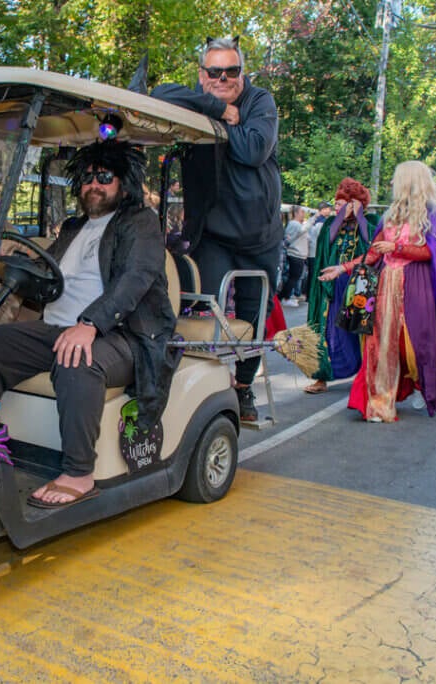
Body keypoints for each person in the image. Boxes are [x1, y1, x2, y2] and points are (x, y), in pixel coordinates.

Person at [0, 140, 176, 508]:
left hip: (123, 335)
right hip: (58, 329)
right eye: (86, 177)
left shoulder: (140, 224)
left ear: (123, 184)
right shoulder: (73, 226)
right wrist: (7, 262)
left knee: (76, 358)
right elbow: (45, 273)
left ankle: (79, 472)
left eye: (104, 176)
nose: (93, 184)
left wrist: (90, 324)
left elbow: (136, 277)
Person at [151, 36, 282, 422]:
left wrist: (215, 120)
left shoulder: (260, 101)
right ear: (202, 74)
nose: (224, 77)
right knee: (203, 311)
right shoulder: (199, 97)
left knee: (253, 314)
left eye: (232, 71)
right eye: (215, 72)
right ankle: (201, 387)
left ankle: (243, 390)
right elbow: (159, 94)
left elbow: (254, 149)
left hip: (259, 232)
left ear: (243, 73)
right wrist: (219, 110)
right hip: (210, 232)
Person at [318, 160, 436, 422]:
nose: (393, 185)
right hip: (386, 284)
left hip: (416, 285)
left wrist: (397, 249)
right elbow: (374, 252)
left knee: (419, 342)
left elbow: (433, 252)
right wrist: (342, 268)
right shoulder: (391, 213)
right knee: (379, 343)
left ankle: (423, 386)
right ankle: (379, 403)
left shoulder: (431, 212)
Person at [304, 178, 378, 394]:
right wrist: (341, 216)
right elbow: (326, 243)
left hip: (358, 287)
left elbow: (370, 245)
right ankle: (321, 377)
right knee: (326, 331)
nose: (338, 208)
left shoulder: (371, 221)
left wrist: (360, 215)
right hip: (331, 287)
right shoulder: (330, 223)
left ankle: (363, 376)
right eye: (337, 204)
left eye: (343, 203)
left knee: (356, 331)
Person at [279, 205, 307, 307]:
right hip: (295, 254)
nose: (303, 214)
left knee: (294, 277)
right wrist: (314, 219)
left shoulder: (296, 224)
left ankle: (285, 296)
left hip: (299, 254)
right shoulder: (295, 224)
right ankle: (284, 297)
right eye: (302, 212)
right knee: (293, 277)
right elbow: (289, 239)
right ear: (296, 213)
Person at [304, 201, 333, 295]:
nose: (330, 210)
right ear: (323, 210)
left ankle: (308, 293)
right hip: (315, 251)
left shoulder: (314, 220)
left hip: (312, 250)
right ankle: (310, 294)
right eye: (328, 208)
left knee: (312, 274)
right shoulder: (321, 223)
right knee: (314, 274)